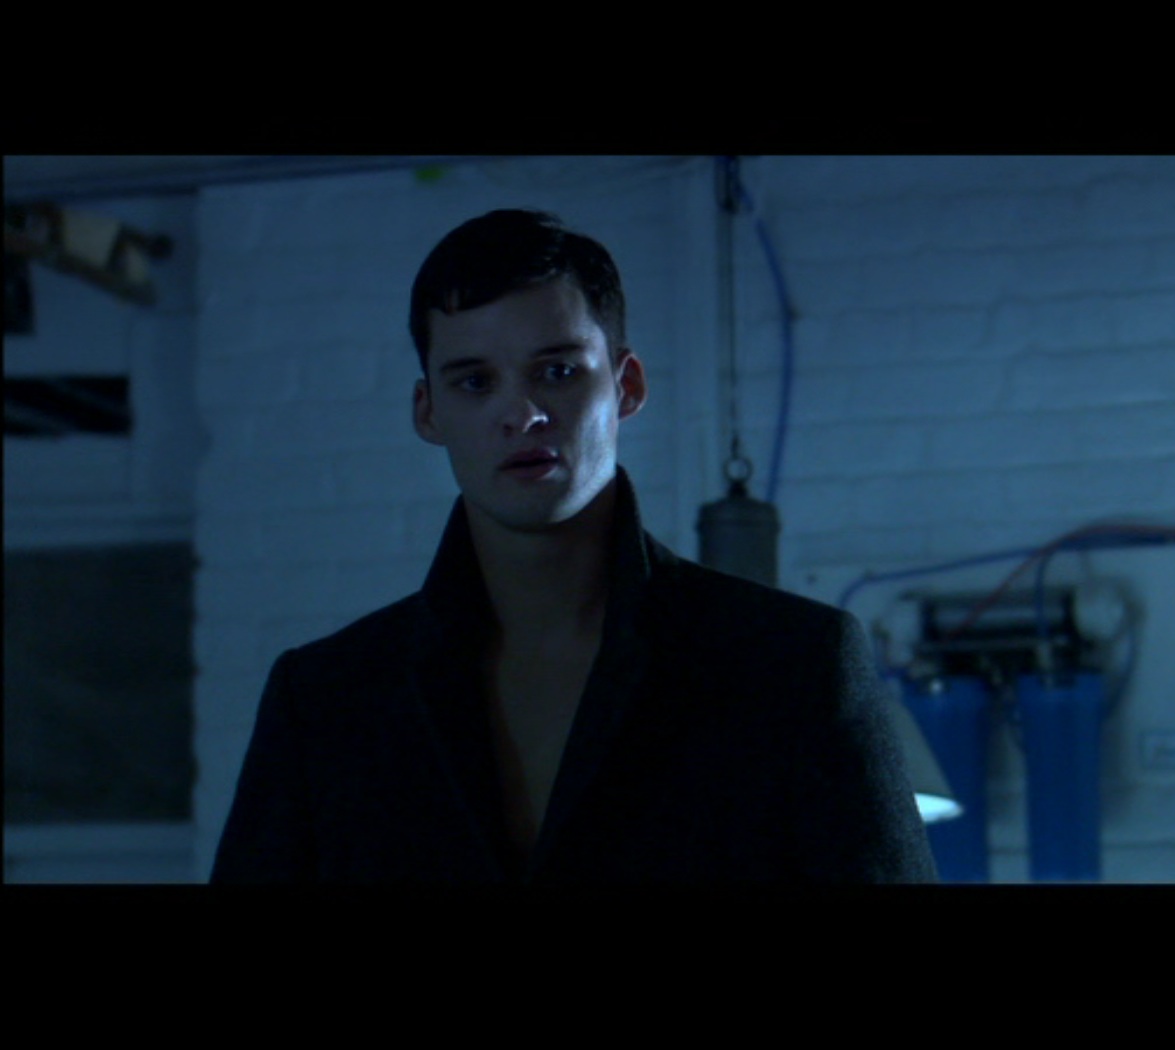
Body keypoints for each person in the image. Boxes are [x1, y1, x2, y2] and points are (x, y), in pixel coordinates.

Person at [211, 208, 937, 883]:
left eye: (557, 372)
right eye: (474, 381)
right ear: (428, 412)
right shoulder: (328, 701)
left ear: (627, 386)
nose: (521, 413)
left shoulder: (793, 666)